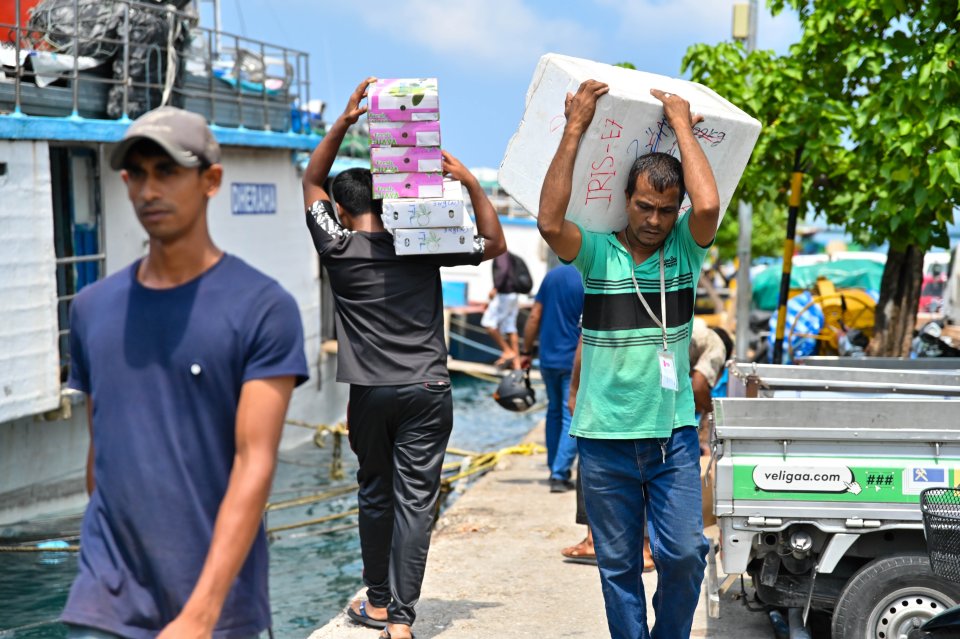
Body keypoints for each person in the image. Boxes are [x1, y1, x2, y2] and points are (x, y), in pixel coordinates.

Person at [62, 106, 308, 639]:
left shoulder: (263, 308)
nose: (149, 190)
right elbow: (99, 455)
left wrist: (201, 613)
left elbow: (254, 464)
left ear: (211, 180)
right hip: (104, 601)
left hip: (218, 613)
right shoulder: (91, 309)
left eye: (168, 171)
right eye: (137, 174)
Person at [301, 77, 506, 639]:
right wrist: (466, 183)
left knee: (375, 495)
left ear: (343, 212)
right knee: (416, 502)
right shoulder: (423, 245)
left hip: (370, 392)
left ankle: (377, 602)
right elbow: (495, 244)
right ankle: (402, 620)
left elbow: (312, 179)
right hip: (429, 390)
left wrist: (345, 122)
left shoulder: (338, 248)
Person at [537, 79, 721, 639]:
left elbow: (709, 203)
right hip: (603, 438)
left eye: (666, 210)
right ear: (625, 199)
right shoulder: (596, 252)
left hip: (672, 437)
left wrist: (681, 122)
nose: (655, 220)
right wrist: (575, 128)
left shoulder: (685, 250)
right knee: (617, 567)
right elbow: (549, 222)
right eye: (645, 206)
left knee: (687, 552)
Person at [519, 264, 584, 492]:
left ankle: (554, 466)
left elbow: (535, 315)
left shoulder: (552, 276)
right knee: (573, 415)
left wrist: (526, 352)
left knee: (554, 411)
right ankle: (559, 473)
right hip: (575, 360)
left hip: (548, 359)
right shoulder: (590, 274)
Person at [482, 252, 525, 369]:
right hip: (513, 295)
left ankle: (508, 352)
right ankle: (517, 365)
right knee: (510, 327)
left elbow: (503, 270)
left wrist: (495, 288)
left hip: (504, 295)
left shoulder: (500, 254)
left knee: (488, 323)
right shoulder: (510, 256)